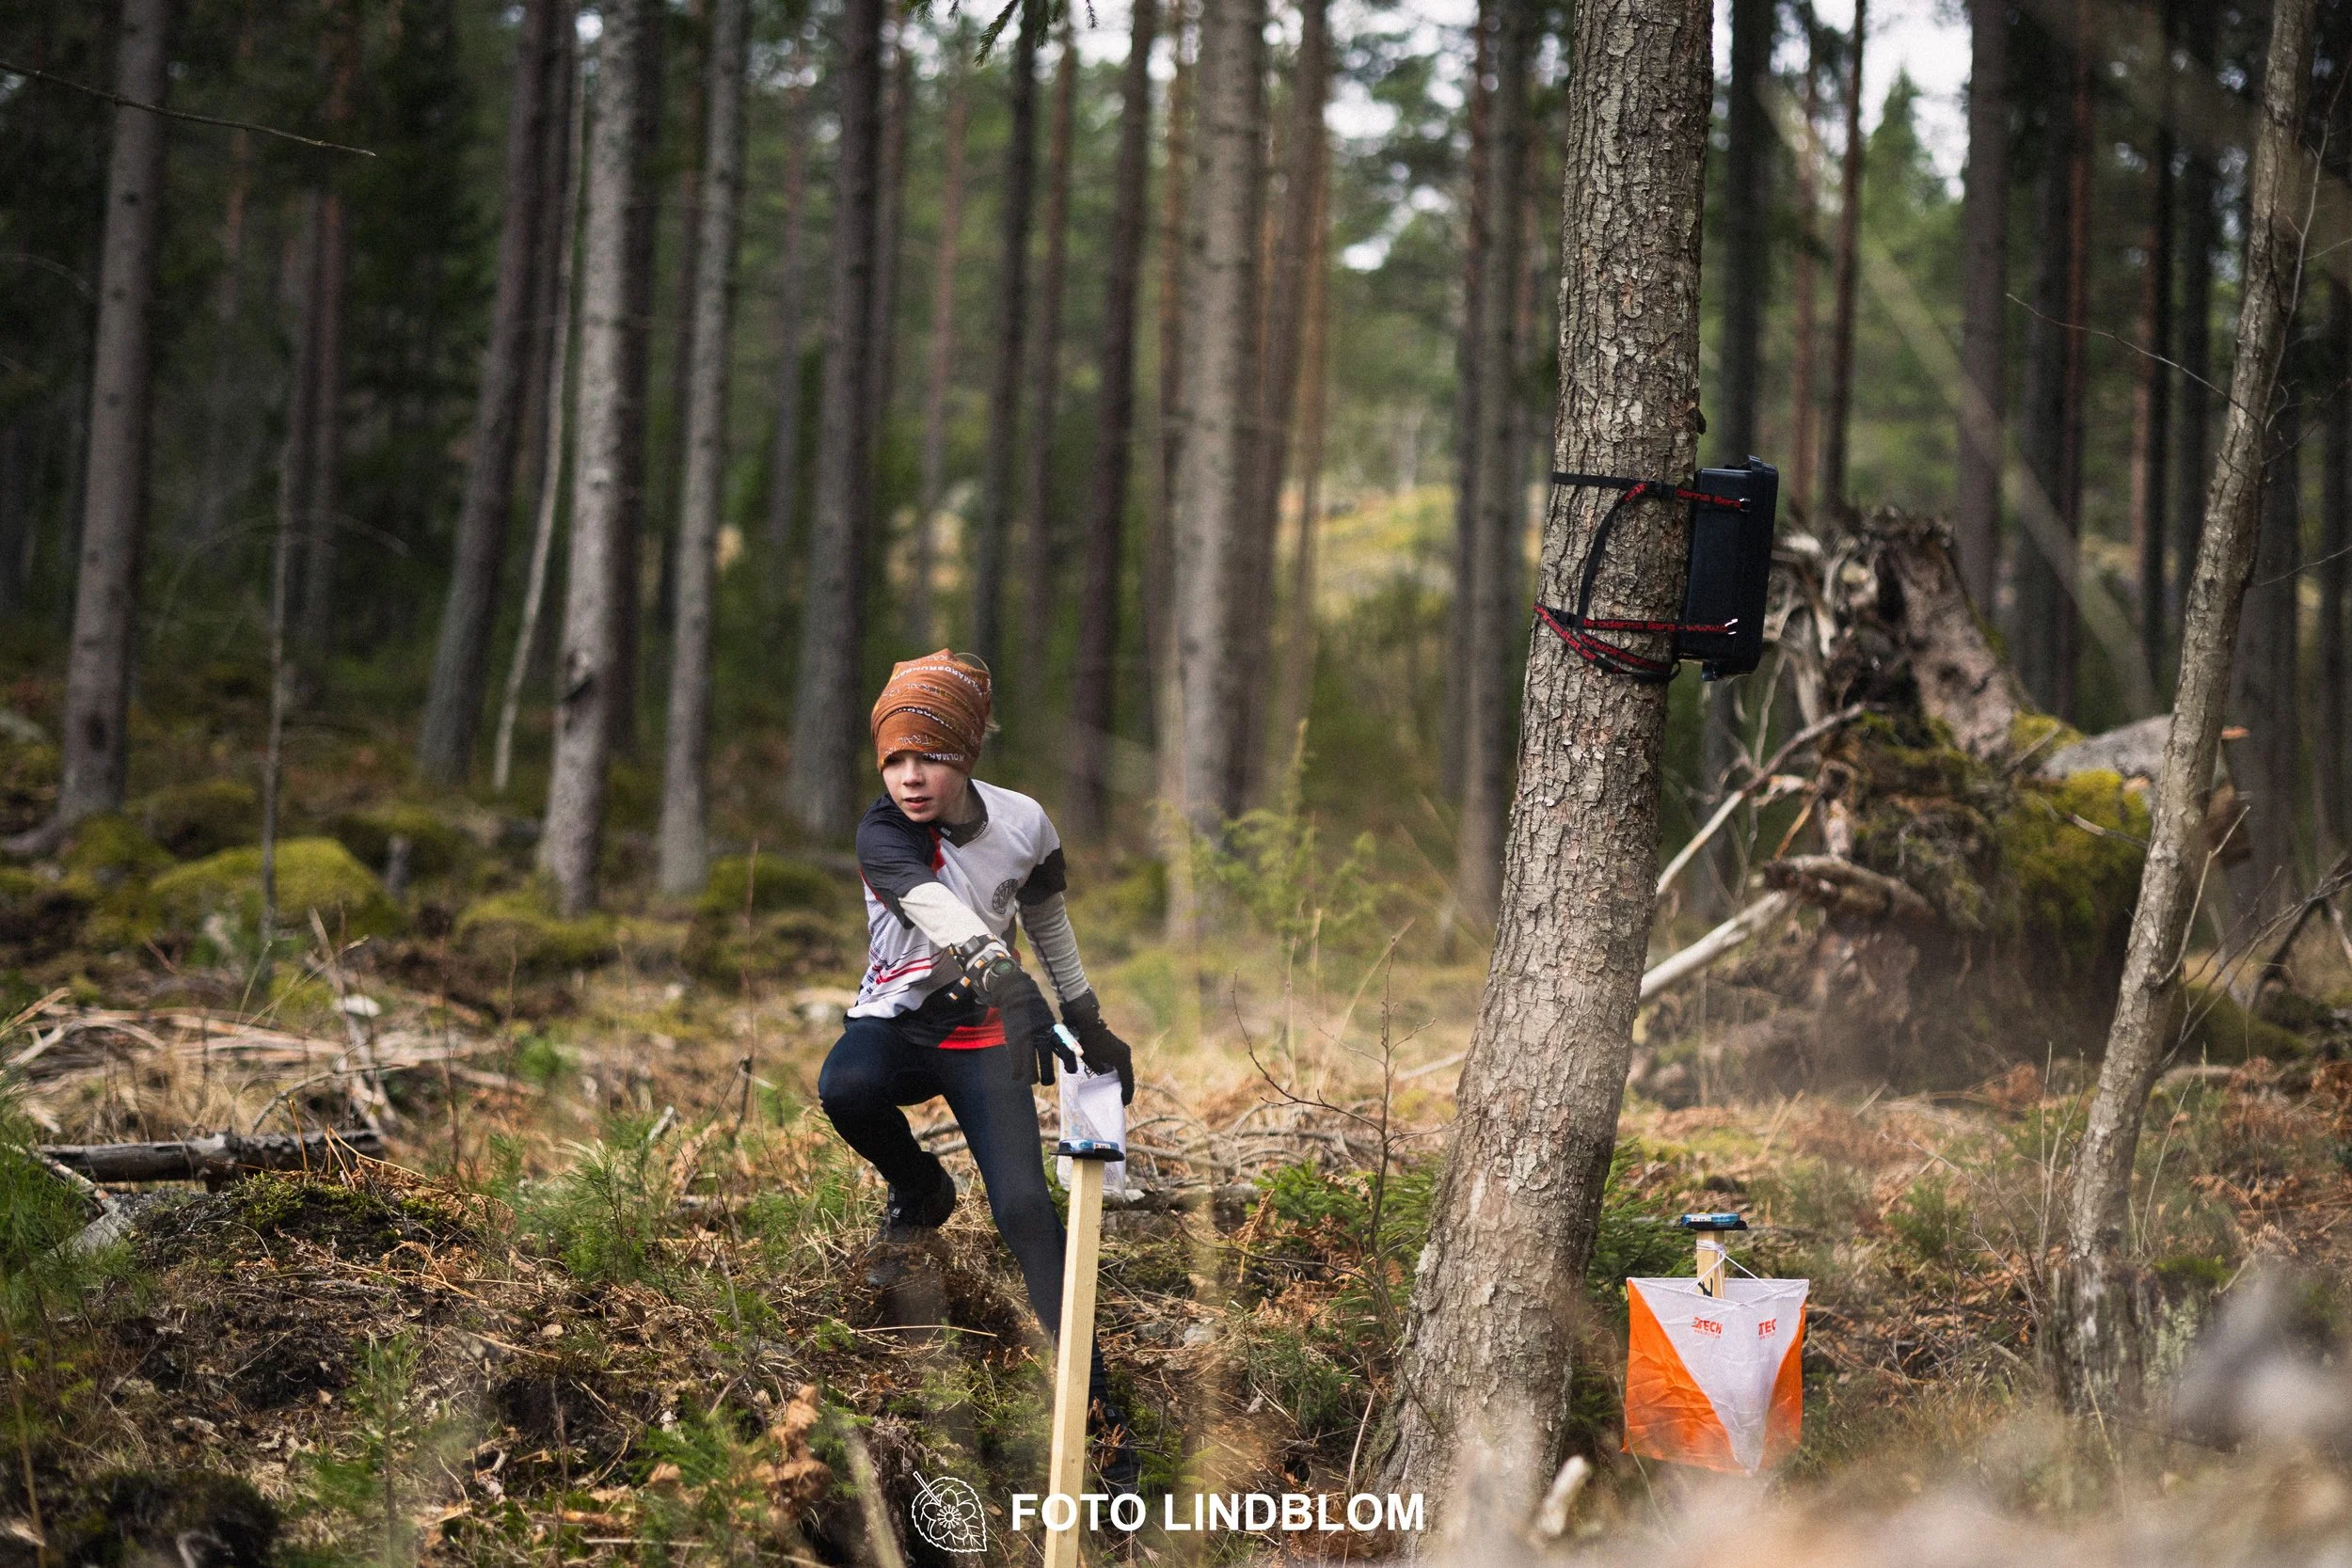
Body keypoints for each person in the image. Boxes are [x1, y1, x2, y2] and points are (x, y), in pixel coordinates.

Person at [816, 649, 1138, 1466]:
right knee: (845, 1086)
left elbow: (1049, 919)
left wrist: (1086, 1015)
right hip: (897, 1023)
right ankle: (921, 1189)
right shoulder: (882, 832)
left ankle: (1101, 1424)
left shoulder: (1025, 822)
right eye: (894, 758)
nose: (909, 776)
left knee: (1030, 1216)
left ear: (965, 754)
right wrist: (1000, 969)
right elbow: (934, 909)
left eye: (930, 755)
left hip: (985, 1038)